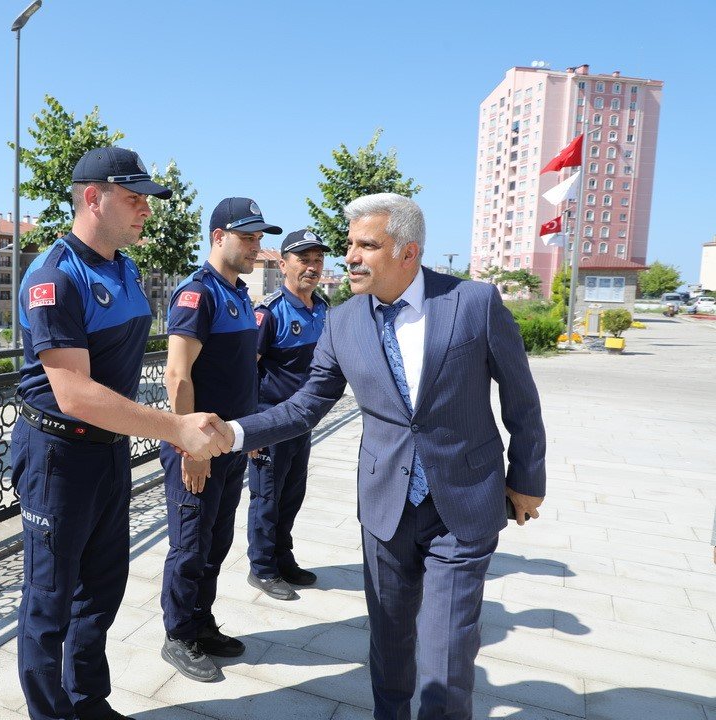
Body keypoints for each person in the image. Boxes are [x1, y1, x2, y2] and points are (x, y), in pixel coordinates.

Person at [221, 193, 546, 719]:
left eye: (366, 245)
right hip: (386, 507)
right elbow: (305, 407)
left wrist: (527, 477)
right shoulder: (342, 322)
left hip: (463, 504)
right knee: (390, 642)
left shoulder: (473, 303)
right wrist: (232, 432)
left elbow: (521, 398)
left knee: (446, 654)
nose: (349, 256)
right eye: (349, 244)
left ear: (407, 252)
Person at [12, 146, 231, 720]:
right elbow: (75, 393)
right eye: (134, 200)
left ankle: (87, 702)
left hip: (107, 451)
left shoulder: (123, 268)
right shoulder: (55, 275)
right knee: (49, 600)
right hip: (57, 455)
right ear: (93, 197)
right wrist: (175, 428)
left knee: (101, 589)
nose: (147, 212)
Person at [159, 197, 282, 682]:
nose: (257, 246)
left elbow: (240, 373)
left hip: (229, 444)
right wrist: (189, 447)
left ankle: (201, 623)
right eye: (248, 237)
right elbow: (176, 374)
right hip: (198, 448)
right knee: (190, 544)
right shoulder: (198, 294)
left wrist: (248, 431)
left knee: (216, 540)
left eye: (259, 237)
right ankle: (179, 636)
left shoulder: (238, 295)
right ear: (218, 237)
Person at [246, 229, 330, 601]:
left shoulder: (324, 307)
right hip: (271, 423)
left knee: (292, 493)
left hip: (302, 423)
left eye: (317, 260)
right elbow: (247, 371)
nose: (312, 267)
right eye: (303, 259)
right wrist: (251, 430)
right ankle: (262, 567)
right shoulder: (269, 311)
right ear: (283, 265)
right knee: (266, 497)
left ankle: (283, 557)